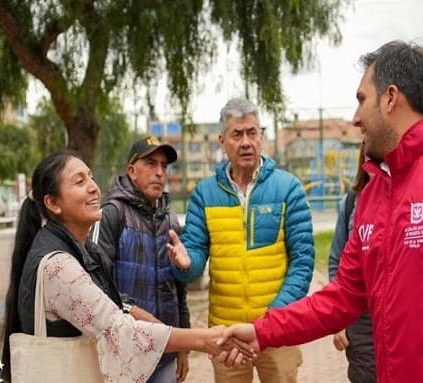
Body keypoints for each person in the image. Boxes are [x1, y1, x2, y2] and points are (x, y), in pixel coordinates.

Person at [218, 41, 423, 382]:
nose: (355, 117)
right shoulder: (374, 191)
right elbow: (343, 296)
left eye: (362, 99)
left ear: (391, 98)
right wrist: (262, 331)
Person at [0, 151, 247, 382]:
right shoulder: (60, 264)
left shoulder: (87, 248)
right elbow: (118, 330)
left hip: (160, 343)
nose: (94, 187)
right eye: (79, 181)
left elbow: (131, 296)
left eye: (91, 177)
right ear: (53, 203)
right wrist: (203, 339)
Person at [168, 97, 315, 382]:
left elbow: (303, 263)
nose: (246, 142)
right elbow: (195, 255)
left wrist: (271, 322)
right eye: (237, 134)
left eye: (252, 132)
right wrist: (185, 264)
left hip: (278, 330)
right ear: (222, 141)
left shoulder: (288, 188)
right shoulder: (204, 193)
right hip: (226, 335)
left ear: (262, 137)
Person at [93, 136, 190, 383]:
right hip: (124, 351)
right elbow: (96, 284)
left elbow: (179, 290)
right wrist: (135, 315)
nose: (159, 172)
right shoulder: (111, 214)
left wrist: (182, 345)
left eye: (164, 166)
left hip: (164, 351)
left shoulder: (170, 221)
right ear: (131, 171)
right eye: (150, 164)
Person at [328, 145, 375, 383]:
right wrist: (339, 320)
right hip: (361, 319)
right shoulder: (351, 203)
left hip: (402, 316)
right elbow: (337, 260)